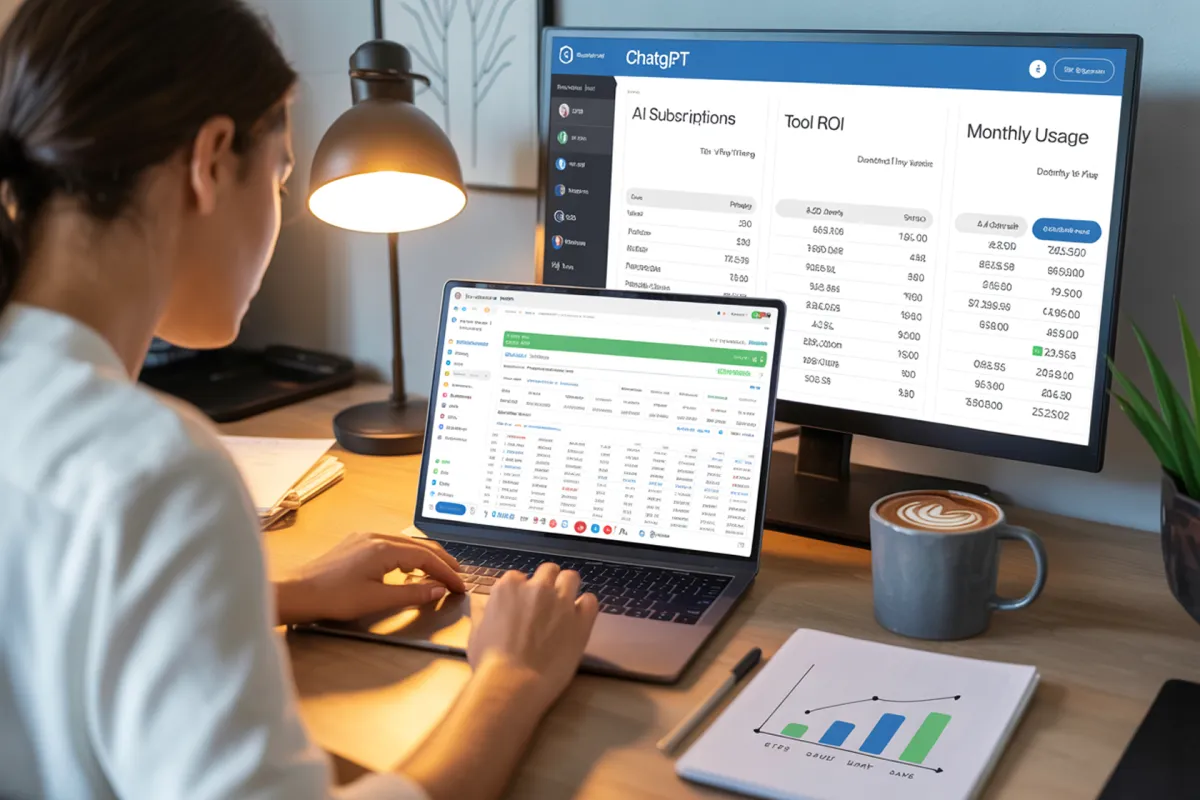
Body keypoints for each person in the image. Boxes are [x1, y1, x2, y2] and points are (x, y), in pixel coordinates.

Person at [0, 1, 599, 799]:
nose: (281, 208)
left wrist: (272, 594)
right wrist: (511, 678)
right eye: (283, 174)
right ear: (211, 161)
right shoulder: (154, 470)